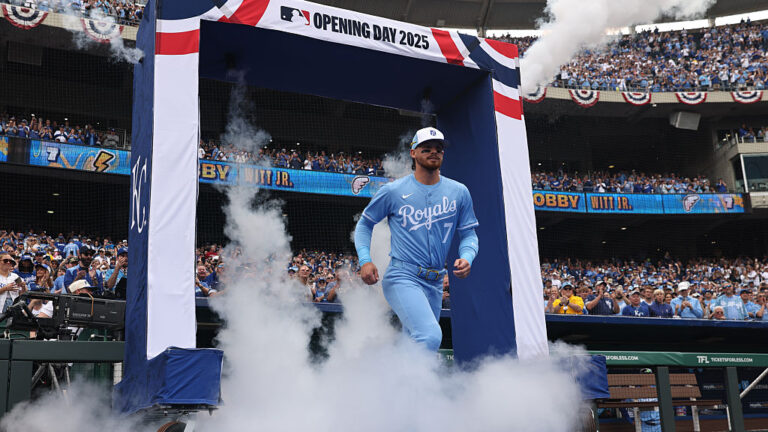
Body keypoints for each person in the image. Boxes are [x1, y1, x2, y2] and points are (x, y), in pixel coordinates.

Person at [354, 127, 479, 352]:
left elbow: (469, 233)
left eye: (438, 149)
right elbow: (365, 224)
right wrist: (365, 259)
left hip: (435, 281)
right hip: (403, 275)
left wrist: (467, 256)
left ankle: (389, 383)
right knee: (429, 336)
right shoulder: (393, 191)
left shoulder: (459, 192)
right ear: (413, 152)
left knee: (412, 345)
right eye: (426, 148)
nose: (434, 152)